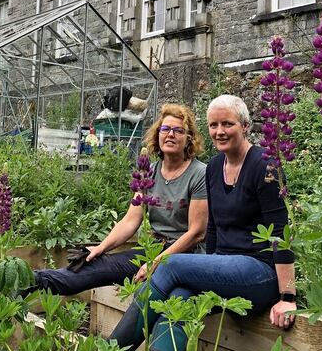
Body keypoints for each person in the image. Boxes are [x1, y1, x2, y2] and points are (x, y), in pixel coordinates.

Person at [110, 95, 296, 351]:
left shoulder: (265, 165)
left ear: (245, 126)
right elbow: (212, 229)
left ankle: (109, 349)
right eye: (213, 125)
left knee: (169, 264)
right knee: (180, 296)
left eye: (227, 124)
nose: (219, 132)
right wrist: (207, 269)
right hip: (224, 267)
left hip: (258, 273)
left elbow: (280, 233)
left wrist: (288, 297)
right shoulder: (214, 166)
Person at [28, 103, 208, 297]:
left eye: (178, 130)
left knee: (152, 295)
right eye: (165, 129)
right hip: (152, 249)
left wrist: (156, 263)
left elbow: (196, 233)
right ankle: (31, 281)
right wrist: (100, 248)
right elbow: (131, 221)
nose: (170, 134)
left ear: (189, 139)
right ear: (158, 134)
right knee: (93, 265)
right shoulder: (149, 172)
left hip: (182, 256)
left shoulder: (198, 173)